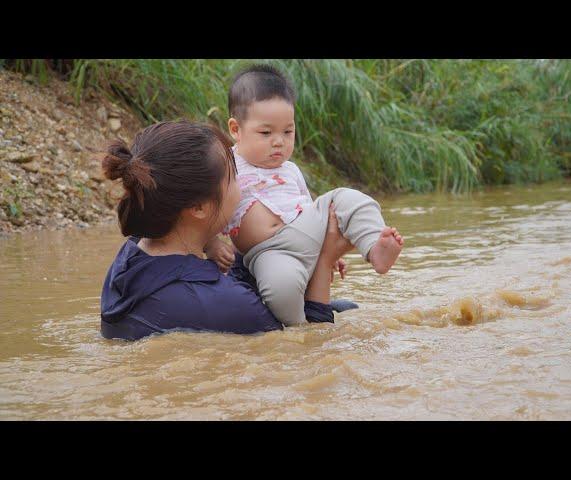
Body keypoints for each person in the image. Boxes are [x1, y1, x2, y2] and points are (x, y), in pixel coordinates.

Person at [99, 120, 354, 341]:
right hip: (222, 313)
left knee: (345, 307)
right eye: (235, 177)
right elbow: (309, 342)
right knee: (350, 311)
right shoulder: (231, 305)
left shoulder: (132, 251)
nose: (243, 187)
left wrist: (210, 241)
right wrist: (324, 260)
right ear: (198, 207)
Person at [206, 64, 404, 326]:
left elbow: (310, 208)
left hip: (305, 229)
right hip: (269, 252)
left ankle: (374, 247)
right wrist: (211, 244)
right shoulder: (226, 165)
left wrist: (329, 249)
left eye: (288, 131)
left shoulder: (290, 169)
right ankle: (302, 328)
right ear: (235, 129)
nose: (279, 141)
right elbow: (207, 209)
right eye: (266, 133)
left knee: (347, 199)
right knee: (280, 290)